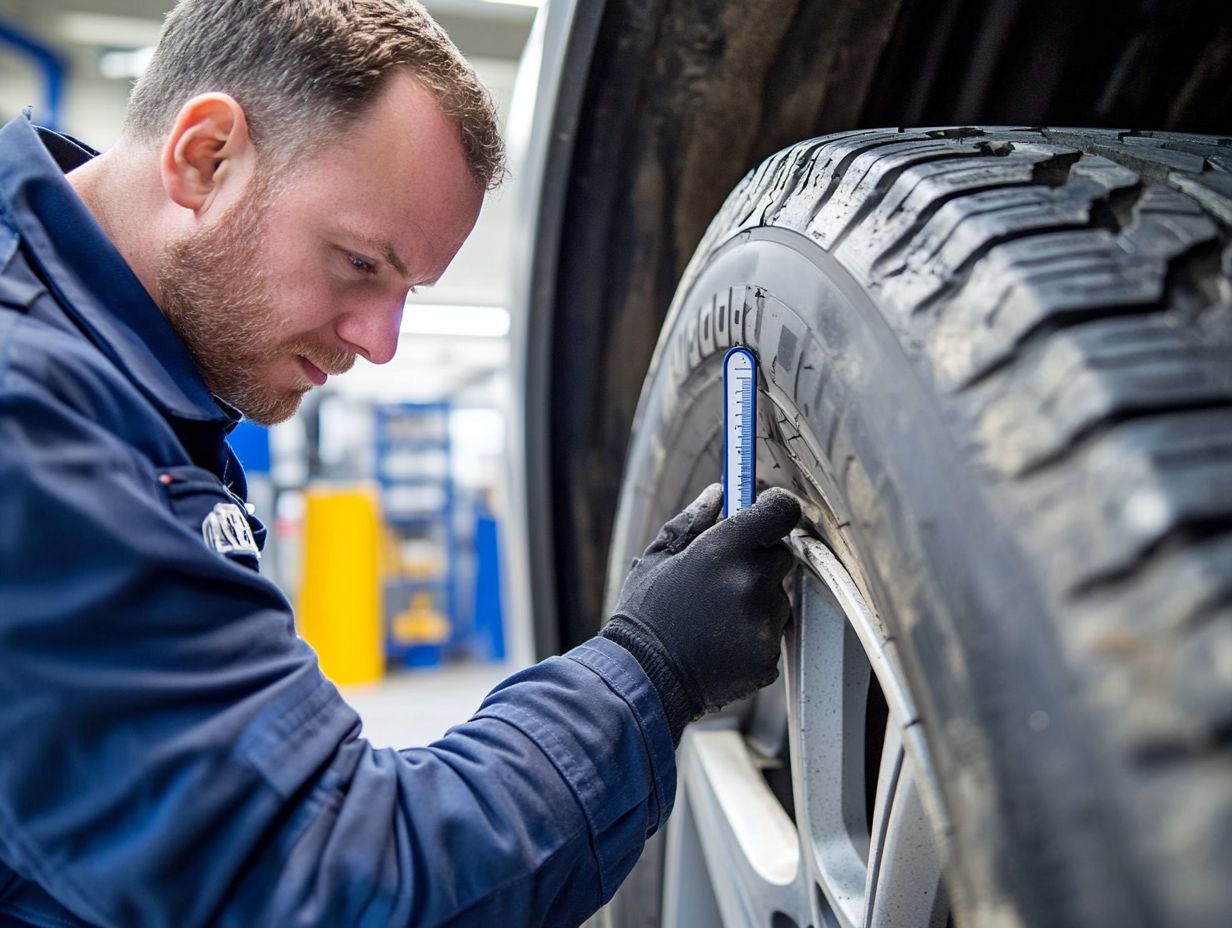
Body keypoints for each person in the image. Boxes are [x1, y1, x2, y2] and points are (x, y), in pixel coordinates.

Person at [0, 1, 801, 925]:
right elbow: (334, 884)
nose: (379, 343)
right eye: (359, 263)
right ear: (205, 157)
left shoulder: (104, 382)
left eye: (408, 291)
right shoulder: (36, 417)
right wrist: (649, 670)